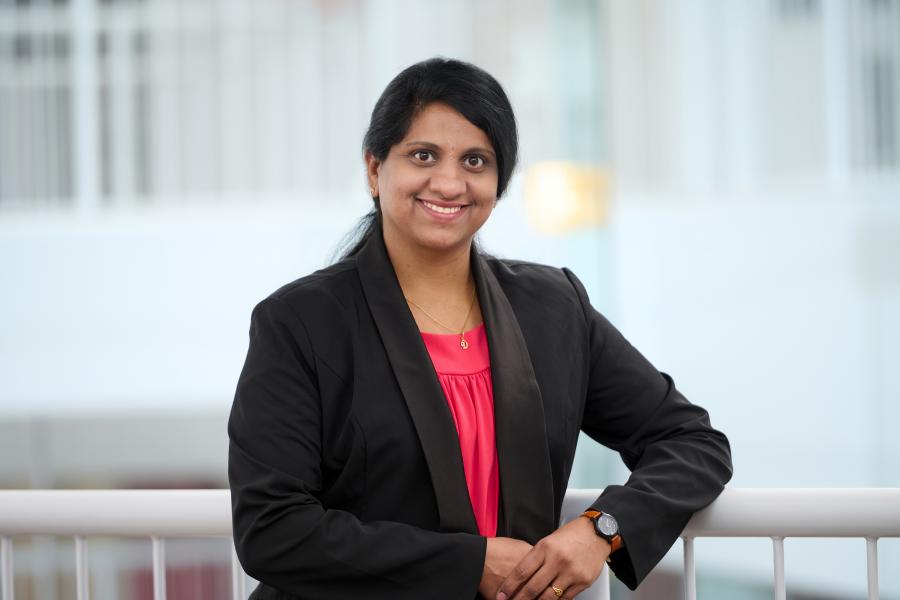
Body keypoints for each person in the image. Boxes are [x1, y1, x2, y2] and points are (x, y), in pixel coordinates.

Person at [228, 57, 732, 600]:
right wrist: (469, 564)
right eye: (423, 155)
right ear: (375, 170)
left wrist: (602, 528)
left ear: (498, 183)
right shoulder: (301, 321)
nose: (449, 183)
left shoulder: (554, 307)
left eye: (475, 160)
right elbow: (272, 530)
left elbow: (692, 442)